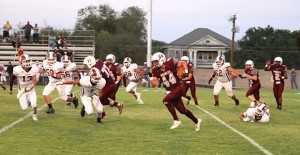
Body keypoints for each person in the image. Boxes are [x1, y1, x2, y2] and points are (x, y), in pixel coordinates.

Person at [151, 52, 202, 131]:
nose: (154, 63)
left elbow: (183, 63)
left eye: (156, 61)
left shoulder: (170, 62)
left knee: (165, 101)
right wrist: (153, 80)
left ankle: (176, 120)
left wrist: (185, 71)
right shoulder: (156, 71)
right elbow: (155, 83)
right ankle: (197, 121)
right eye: (153, 62)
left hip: (179, 88)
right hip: (171, 91)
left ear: (161, 59)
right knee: (183, 111)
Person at [8, 54, 39, 121]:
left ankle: (34, 115)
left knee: (34, 103)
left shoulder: (34, 69)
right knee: (24, 108)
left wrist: (32, 86)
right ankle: (28, 101)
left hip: (31, 88)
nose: (27, 63)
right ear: (21, 62)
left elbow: (35, 81)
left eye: (28, 61)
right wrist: (10, 89)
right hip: (21, 89)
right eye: (25, 61)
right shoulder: (17, 69)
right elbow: (12, 79)